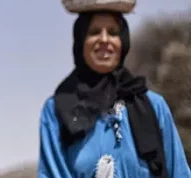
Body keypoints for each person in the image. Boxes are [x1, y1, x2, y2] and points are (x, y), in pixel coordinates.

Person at [38, 11, 191, 178]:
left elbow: (179, 172)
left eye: (113, 32)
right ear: (81, 40)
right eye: (94, 32)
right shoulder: (57, 111)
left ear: (123, 42)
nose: (104, 39)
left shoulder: (154, 106)